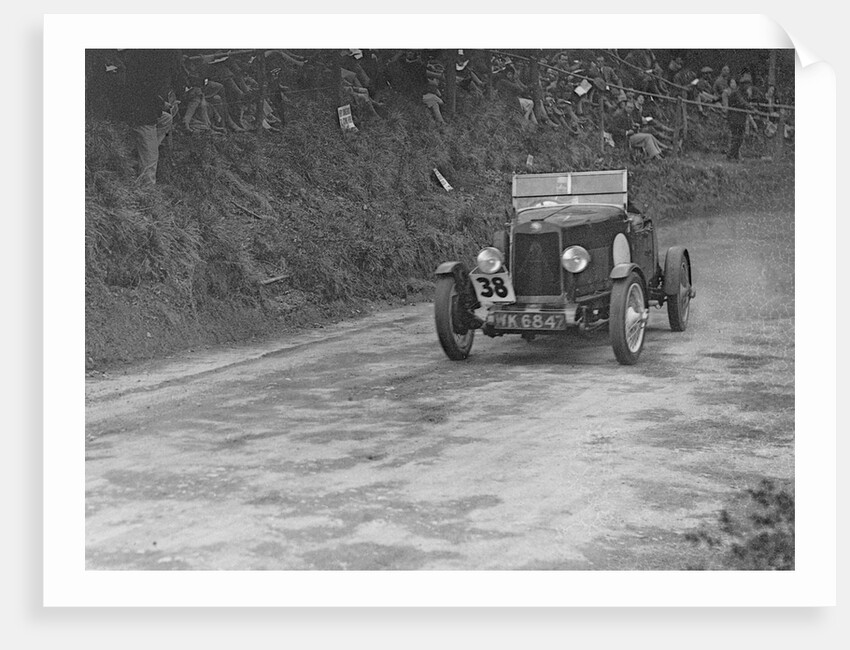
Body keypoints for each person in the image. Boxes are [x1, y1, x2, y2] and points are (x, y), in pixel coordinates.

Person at [117, 49, 181, 185]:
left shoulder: (141, 73)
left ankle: (146, 150)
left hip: (143, 112)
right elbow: (147, 96)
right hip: (142, 118)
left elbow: (149, 95)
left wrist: (163, 104)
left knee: (166, 119)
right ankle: (147, 189)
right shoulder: (147, 74)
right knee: (151, 160)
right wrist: (162, 105)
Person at [725, 75, 752, 161]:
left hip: (741, 118)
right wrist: (752, 108)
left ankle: (735, 155)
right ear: (742, 85)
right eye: (746, 85)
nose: (748, 87)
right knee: (736, 138)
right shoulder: (736, 93)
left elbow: (747, 102)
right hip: (734, 118)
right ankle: (729, 155)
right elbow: (742, 102)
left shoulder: (744, 94)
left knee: (739, 138)